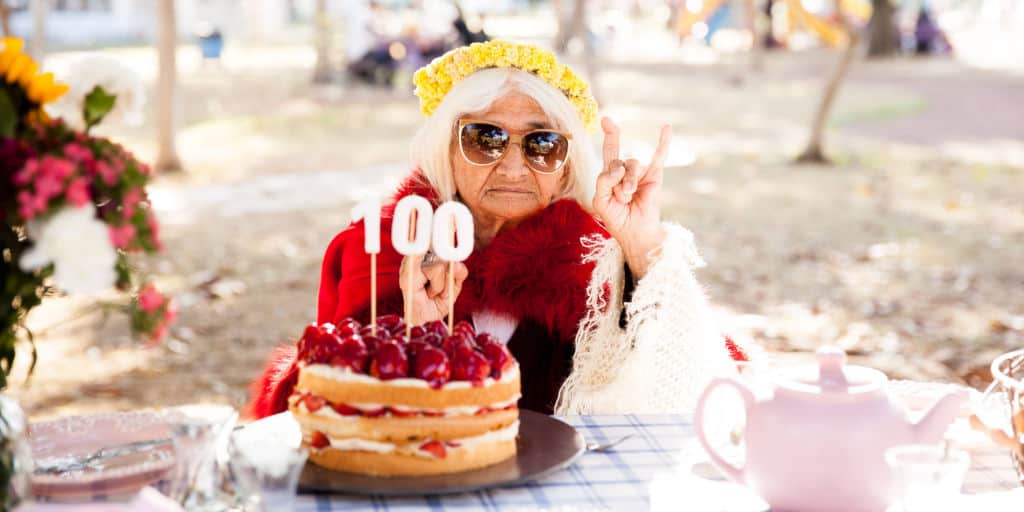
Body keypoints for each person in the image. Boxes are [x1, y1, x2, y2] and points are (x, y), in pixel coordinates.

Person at [250, 40, 746, 418]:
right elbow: (311, 405)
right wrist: (406, 335)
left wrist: (641, 248)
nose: (512, 167)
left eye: (542, 144)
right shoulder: (381, 247)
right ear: (445, 147)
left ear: (566, 164)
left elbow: (710, 387)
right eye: (485, 138)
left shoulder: (597, 257)